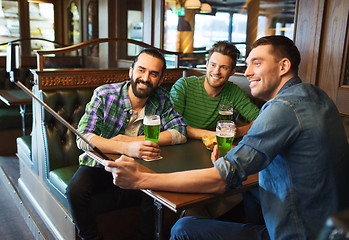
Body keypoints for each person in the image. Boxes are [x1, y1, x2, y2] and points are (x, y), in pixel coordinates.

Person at [104, 36, 349, 240]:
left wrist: (140, 179)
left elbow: (221, 180)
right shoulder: (317, 96)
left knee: (182, 228)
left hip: (300, 233)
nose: (248, 72)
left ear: (283, 66)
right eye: (247, 64)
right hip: (330, 228)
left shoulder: (283, 107)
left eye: (256, 63)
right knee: (252, 191)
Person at [66, 48, 187, 240]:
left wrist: (135, 141)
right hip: (101, 164)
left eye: (153, 74)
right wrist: (125, 147)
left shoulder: (162, 97)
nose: (146, 78)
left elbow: (180, 132)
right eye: (141, 70)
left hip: (141, 166)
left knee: (154, 191)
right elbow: (83, 137)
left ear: (160, 79)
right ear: (130, 71)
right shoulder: (105, 94)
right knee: (75, 190)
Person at [170, 41, 260, 139]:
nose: (217, 71)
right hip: (183, 143)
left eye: (224, 67)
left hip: (214, 146)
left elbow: (260, 121)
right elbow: (173, 125)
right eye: (213, 65)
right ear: (207, 64)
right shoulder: (184, 86)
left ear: (232, 71)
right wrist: (214, 135)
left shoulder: (234, 91)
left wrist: (239, 132)